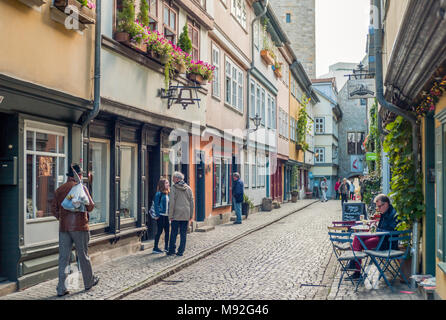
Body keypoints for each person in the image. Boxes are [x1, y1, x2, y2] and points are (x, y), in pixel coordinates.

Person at [51, 164, 99, 297]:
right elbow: (90, 206)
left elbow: (53, 209)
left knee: (63, 258)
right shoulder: (81, 188)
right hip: (80, 227)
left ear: (68, 176)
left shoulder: (60, 189)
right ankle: (88, 282)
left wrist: (62, 218)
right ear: (78, 176)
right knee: (83, 256)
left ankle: (62, 288)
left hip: (64, 228)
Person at [349, 194, 399, 278]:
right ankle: (354, 266)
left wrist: (377, 230)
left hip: (387, 243)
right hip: (380, 238)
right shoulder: (385, 212)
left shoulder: (393, 214)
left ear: (386, 204)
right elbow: (380, 228)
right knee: (358, 237)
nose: (378, 209)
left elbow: (390, 231)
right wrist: (375, 227)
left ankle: (355, 268)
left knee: (360, 243)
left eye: (379, 207)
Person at [167, 172, 194, 257]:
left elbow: (172, 203)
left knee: (174, 233)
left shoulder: (174, 188)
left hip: (176, 214)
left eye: (174, 178)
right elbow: (192, 203)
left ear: (178, 179)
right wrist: (190, 215)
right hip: (186, 214)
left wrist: (170, 215)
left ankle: (171, 250)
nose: (172, 179)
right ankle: (181, 251)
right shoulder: (188, 188)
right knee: (183, 234)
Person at [152, 178, 170, 254]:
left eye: (168, 183)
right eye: (166, 183)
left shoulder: (167, 193)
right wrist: (157, 215)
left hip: (166, 216)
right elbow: (156, 205)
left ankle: (166, 247)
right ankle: (155, 248)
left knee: (167, 232)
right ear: (162, 184)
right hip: (161, 216)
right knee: (159, 231)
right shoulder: (158, 194)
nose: (168, 184)